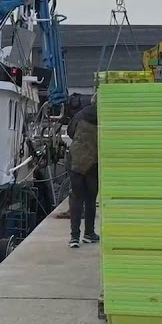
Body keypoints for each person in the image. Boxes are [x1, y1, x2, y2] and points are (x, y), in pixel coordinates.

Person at [66, 94, 100, 248]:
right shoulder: (105, 117)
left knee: (76, 198)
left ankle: (74, 237)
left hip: (76, 161)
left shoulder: (81, 114)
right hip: (94, 162)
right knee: (90, 199)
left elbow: (70, 132)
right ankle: (89, 233)